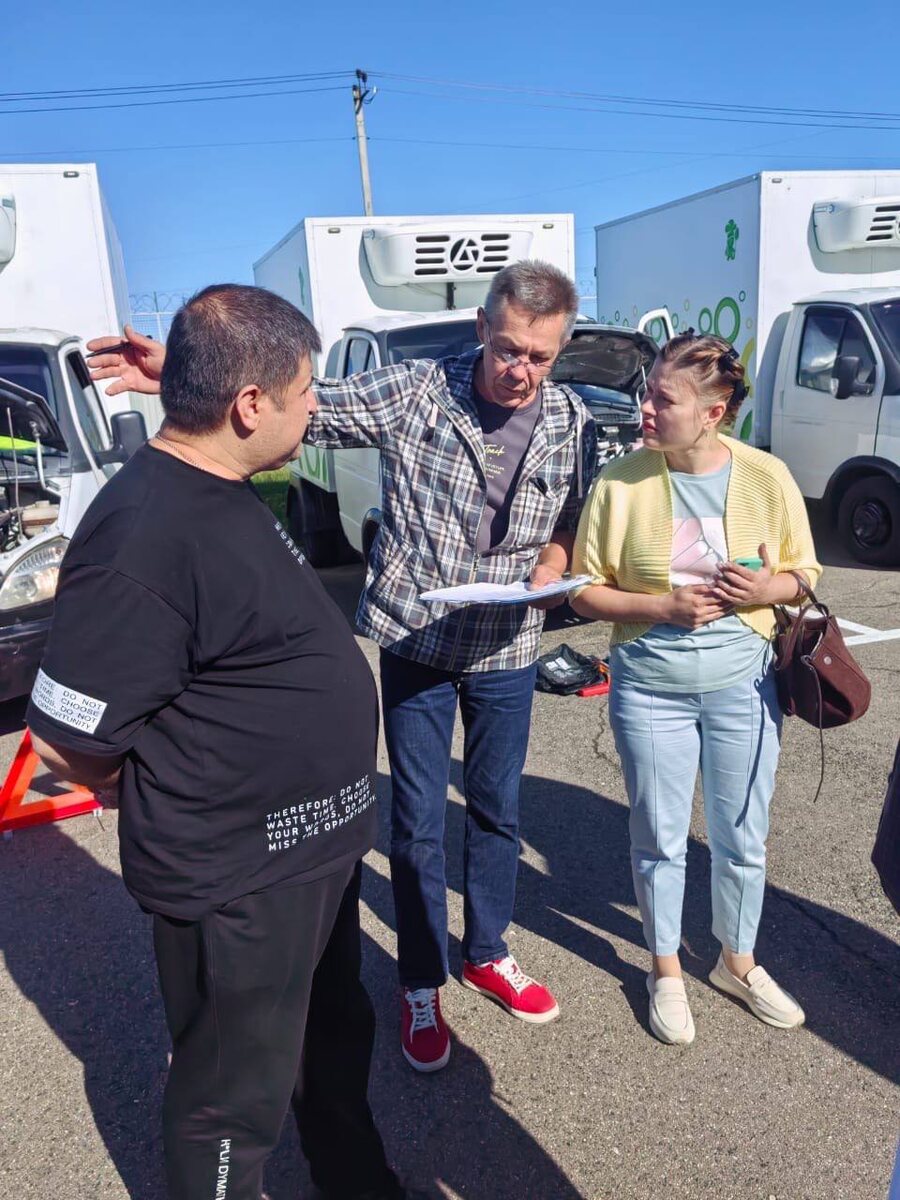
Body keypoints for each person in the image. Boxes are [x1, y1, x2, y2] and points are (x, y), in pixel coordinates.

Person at [86, 260, 598, 1073]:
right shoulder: (417, 391)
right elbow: (305, 409)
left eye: (540, 356)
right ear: (481, 328)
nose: (520, 370)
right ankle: (421, 979)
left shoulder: (571, 419)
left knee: (498, 808)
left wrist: (553, 565)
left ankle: (488, 951)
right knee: (418, 821)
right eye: (507, 349)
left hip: (509, 645)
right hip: (419, 641)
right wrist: (182, 377)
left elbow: (571, 511)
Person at [28, 285, 423, 1200]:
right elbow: (66, 742)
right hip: (238, 879)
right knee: (230, 1101)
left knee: (332, 1042)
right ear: (249, 405)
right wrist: (159, 784)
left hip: (309, 859)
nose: (315, 406)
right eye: (306, 390)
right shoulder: (137, 533)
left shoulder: (222, 479)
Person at [570, 331, 821, 1046]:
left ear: (713, 413)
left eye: (663, 398)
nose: (645, 408)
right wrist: (661, 607)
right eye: (646, 392)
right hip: (651, 688)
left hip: (745, 684)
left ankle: (737, 963)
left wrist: (768, 588)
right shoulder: (620, 481)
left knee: (744, 836)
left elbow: (805, 574)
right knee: (659, 837)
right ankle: (666, 970)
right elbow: (583, 590)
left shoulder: (767, 476)